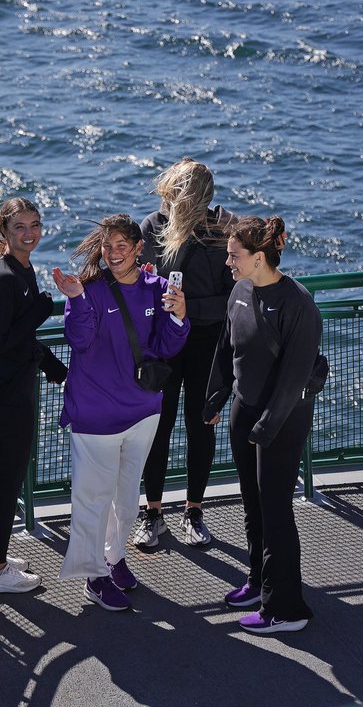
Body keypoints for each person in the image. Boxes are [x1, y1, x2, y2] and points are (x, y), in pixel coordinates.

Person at [51, 214, 189, 611]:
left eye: (121, 247)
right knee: (92, 498)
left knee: (127, 500)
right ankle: (93, 576)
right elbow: (78, 338)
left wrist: (179, 315)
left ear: (138, 248)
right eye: (107, 247)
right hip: (95, 416)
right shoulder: (89, 290)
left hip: (143, 412)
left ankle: (114, 558)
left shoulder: (157, 288)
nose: (113, 254)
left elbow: (166, 347)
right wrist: (75, 299)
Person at [203, 215, 320, 634]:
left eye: (235, 256)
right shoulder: (239, 291)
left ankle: (287, 608)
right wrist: (216, 397)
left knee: (275, 511)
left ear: (259, 257)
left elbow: (294, 377)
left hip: (281, 420)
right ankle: (259, 581)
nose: (229, 263)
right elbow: (226, 349)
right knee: (252, 504)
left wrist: (266, 427)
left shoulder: (298, 303)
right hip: (245, 411)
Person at [0, 197, 68, 594]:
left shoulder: (20, 269)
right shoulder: (5, 276)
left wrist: (49, 364)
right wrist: (40, 313)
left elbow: (19, 336)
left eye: (35, 225)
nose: (29, 234)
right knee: (8, 480)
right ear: (4, 233)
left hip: (8, 388)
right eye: (20, 228)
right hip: (6, 394)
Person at [135, 157, 236, 549]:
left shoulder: (223, 231)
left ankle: (194, 509)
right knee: (158, 427)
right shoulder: (152, 227)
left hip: (206, 343)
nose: (176, 205)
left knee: (201, 425)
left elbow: (233, 298)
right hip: (164, 343)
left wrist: (188, 307)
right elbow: (140, 286)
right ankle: (154, 512)